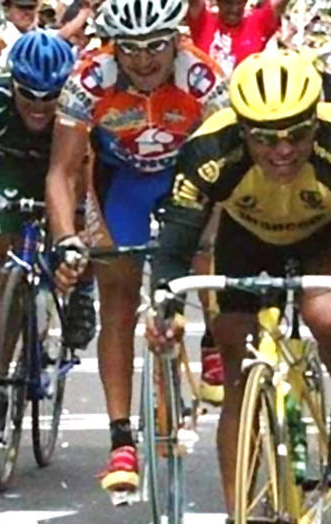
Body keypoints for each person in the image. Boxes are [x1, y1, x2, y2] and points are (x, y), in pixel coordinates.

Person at [146, 49, 331, 524]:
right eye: (264, 138)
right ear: (242, 130)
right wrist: (164, 308)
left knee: (323, 310)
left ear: (317, 122)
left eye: (296, 135)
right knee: (238, 375)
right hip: (246, 242)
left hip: (329, 240)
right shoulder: (208, 152)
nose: (282, 150)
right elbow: (172, 250)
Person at [47, 0, 227, 498]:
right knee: (118, 300)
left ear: (177, 39)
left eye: (155, 48)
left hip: (186, 175)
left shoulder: (203, 78)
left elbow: (231, 169)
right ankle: (121, 439)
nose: (144, 61)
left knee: (207, 252)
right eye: (130, 50)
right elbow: (61, 173)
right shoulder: (89, 80)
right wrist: (65, 240)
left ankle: (213, 337)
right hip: (120, 180)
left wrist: (213, 235)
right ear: (112, 46)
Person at [0, 31, 91, 441]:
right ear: (12, 83)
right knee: (7, 275)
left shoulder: (79, 103)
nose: (40, 107)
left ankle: (82, 293)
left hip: (69, 169)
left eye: (50, 97)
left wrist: (81, 225)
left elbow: (91, 171)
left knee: (85, 226)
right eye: (29, 95)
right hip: (15, 174)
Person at [186, 0, 290, 407]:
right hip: (211, 141)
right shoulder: (202, 21)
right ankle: (212, 341)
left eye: (237, 2)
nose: (230, 9)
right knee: (207, 244)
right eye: (224, 2)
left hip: (254, 140)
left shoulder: (260, 19)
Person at [187, 0, 290, 78]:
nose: (234, 9)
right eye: (228, 2)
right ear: (218, 2)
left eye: (239, 3)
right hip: (205, 102)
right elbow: (195, 3)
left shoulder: (257, 23)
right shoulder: (203, 22)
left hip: (245, 101)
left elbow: (279, 4)